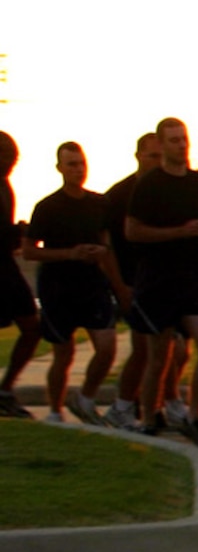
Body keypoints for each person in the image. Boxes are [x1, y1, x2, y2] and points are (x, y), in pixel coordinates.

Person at [124, 118, 198, 449]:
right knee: (159, 356)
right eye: (174, 140)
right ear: (162, 145)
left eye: (184, 139)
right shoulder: (149, 185)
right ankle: (150, 419)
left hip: (194, 276)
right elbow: (132, 231)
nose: (181, 145)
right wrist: (176, 233)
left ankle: (194, 415)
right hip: (158, 278)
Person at [24, 142, 121, 423]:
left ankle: (86, 398)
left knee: (106, 347)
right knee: (63, 354)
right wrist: (69, 253)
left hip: (93, 285)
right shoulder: (47, 207)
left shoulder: (99, 203)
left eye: (81, 163)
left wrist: (105, 261)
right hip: (58, 287)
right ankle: (55, 411)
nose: (78, 169)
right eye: (71, 164)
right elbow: (30, 251)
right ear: (60, 168)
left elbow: (107, 244)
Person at [100, 131, 164, 431]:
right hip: (130, 280)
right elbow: (107, 247)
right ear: (138, 155)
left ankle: (154, 406)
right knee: (144, 349)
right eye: (153, 155)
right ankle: (123, 407)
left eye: (161, 156)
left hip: (159, 280)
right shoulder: (119, 196)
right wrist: (119, 286)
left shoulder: (167, 191)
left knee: (170, 351)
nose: (158, 162)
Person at [0, 131, 44, 418]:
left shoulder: (5, 186)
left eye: (15, 158)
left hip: (5, 266)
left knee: (32, 326)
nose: (12, 163)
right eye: (7, 158)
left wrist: (18, 233)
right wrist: (21, 232)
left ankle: (5, 390)